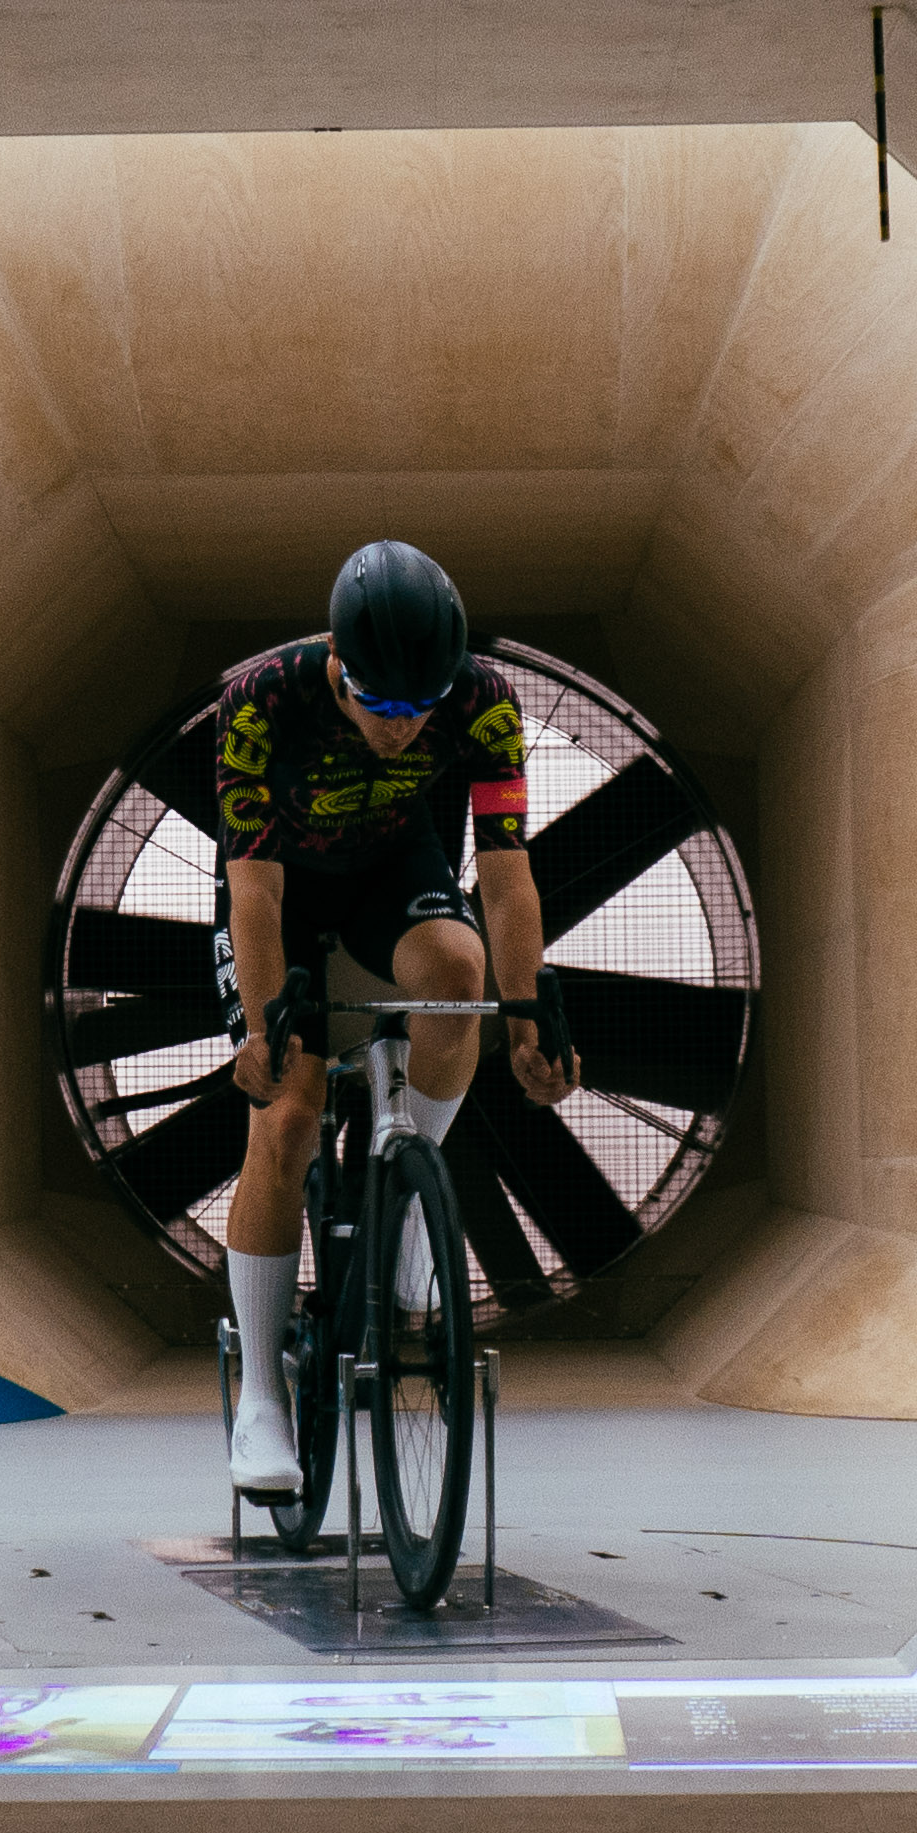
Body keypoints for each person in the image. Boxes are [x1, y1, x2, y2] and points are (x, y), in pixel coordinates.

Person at [210, 538, 573, 1496]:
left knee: (460, 972)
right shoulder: (259, 699)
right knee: (285, 1115)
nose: (405, 728)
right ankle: (260, 1401)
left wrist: (530, 1020)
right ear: (339, 663)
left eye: (423, 709)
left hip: (395, 882)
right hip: (282, 895)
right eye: (384, 706)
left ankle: (413, 1204)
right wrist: (261, 1033)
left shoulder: (484, 700)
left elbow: (504, 874)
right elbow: (253, 894)